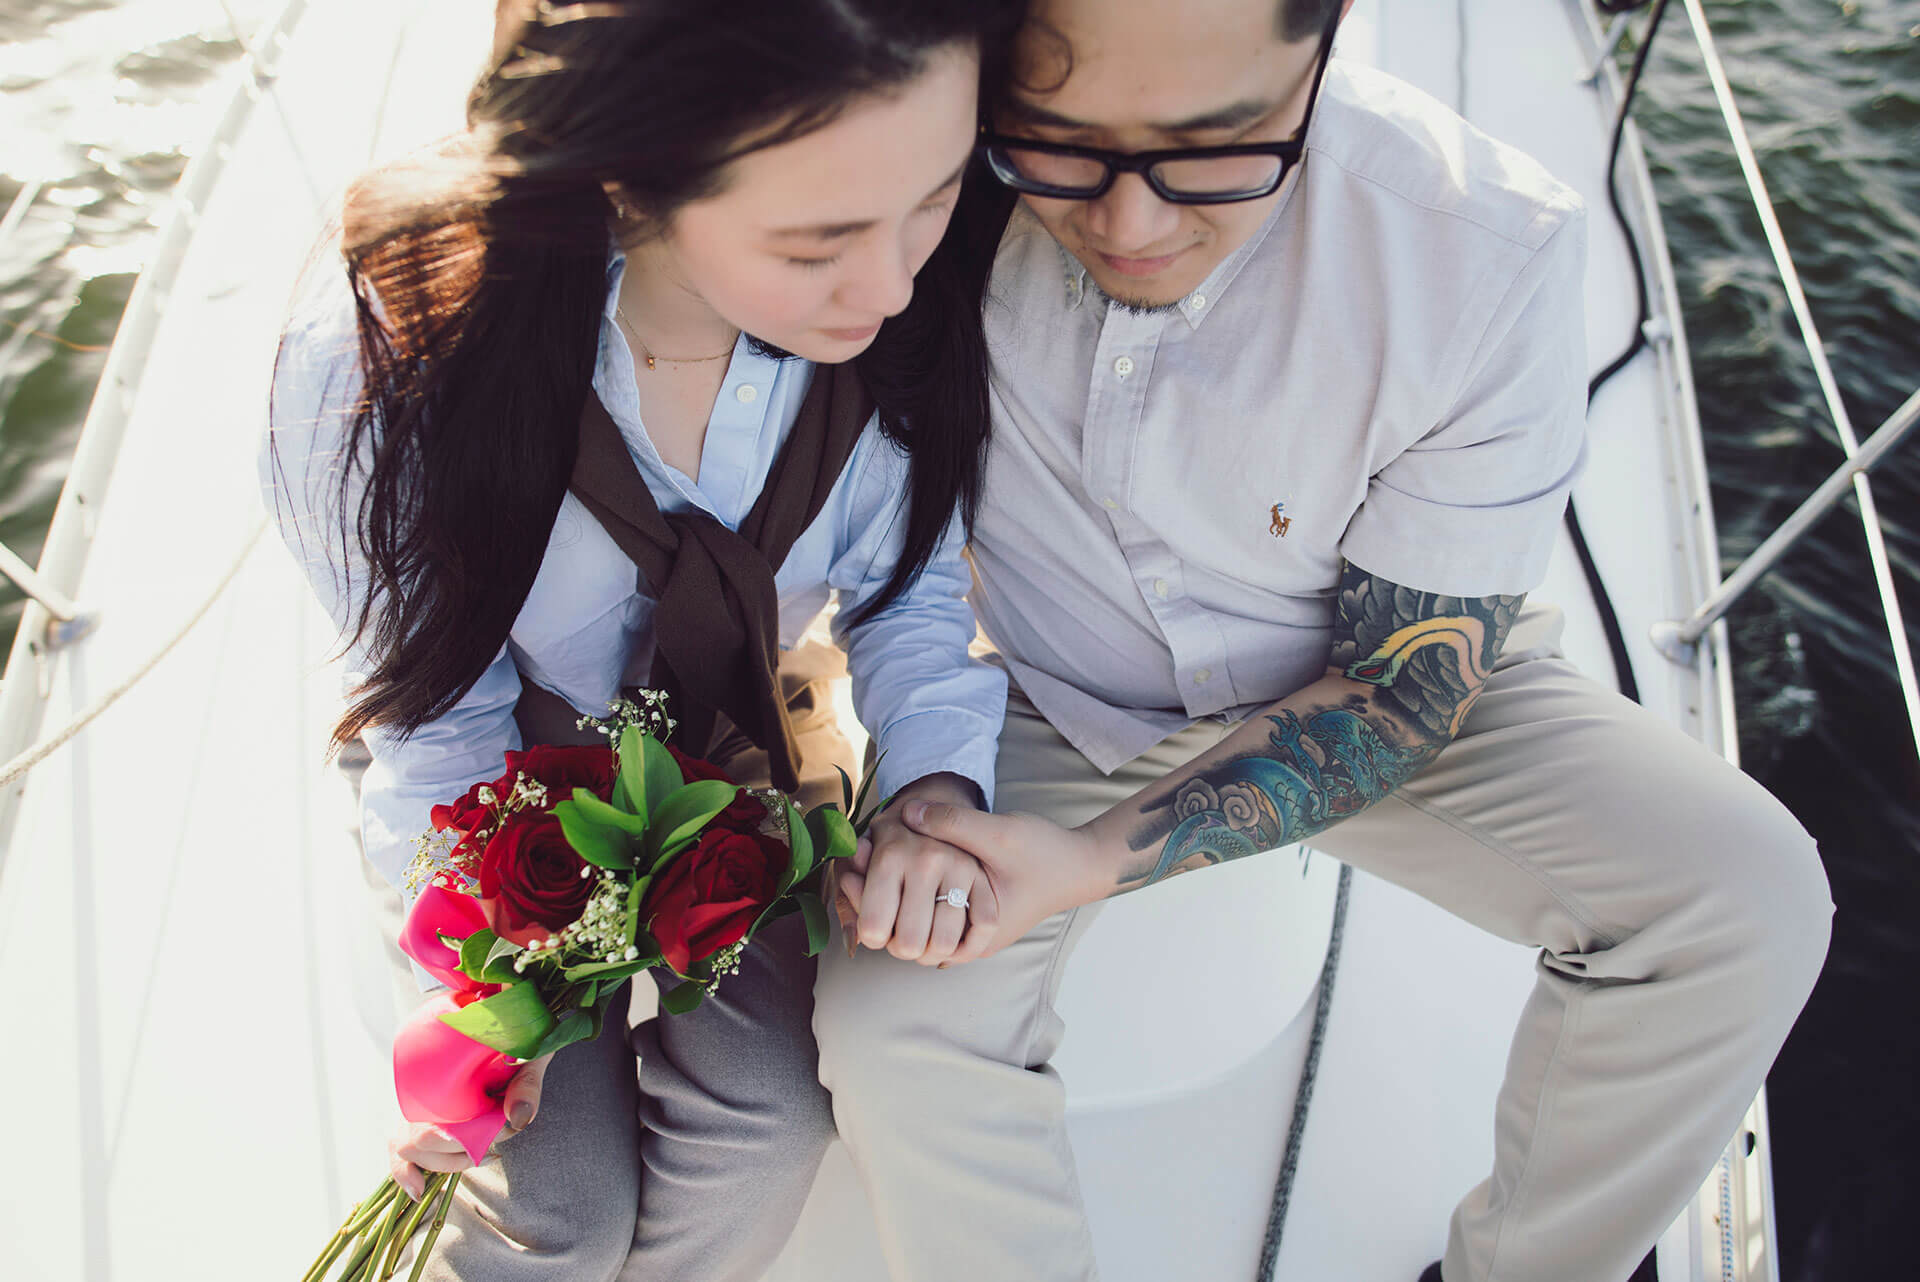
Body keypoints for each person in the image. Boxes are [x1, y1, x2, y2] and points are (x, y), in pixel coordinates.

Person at [817, 2, 1834, 1280]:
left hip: (1375, 670)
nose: (1130, 222)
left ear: (1327, 42)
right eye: (1059, 146)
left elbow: (1405, 692)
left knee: (1745, 897)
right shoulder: (923, 177)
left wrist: (1084, 861)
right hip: (1043, 688)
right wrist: (932, 781)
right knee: (893, 1031)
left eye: (1213, 148)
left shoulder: (1485, 251)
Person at [260, 2, 1023, 1278]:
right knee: (552, 1208)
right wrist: (475, 989)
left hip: (731, 727)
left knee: (769, 1122)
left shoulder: (915, 312)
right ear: (633, 167)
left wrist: (932, 789)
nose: (892, 285)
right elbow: (433, 715)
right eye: (818, 243)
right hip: (484, 742)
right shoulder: (385, 362)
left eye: (935, 199)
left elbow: (907, 596)